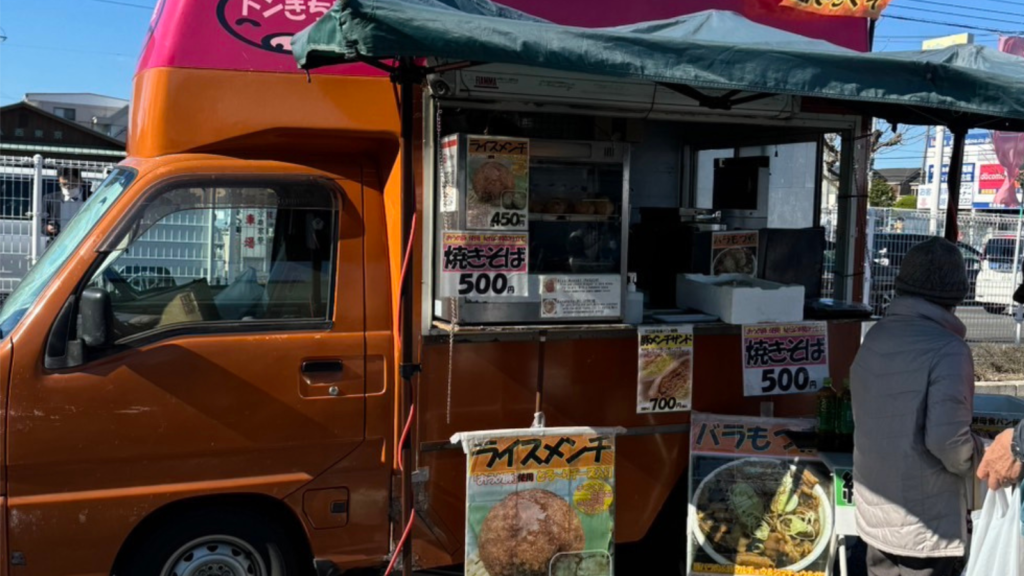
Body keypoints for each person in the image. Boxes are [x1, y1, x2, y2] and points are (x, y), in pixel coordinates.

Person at [851, 237, 983, 576]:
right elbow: (948, 445)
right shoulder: (948, 350)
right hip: (925, 524)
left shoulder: (877, 335)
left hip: (876, 515)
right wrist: (983, 453)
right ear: (956, 294)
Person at [44, 167, 88, 239]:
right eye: (64, 184)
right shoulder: (50, 199)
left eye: (72, 183)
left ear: (80, 181)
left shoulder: (92, 198)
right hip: (58, 242)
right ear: (59, 181)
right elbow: (41, 221)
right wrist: (47, 228)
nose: (69, 187)